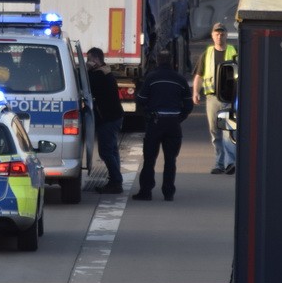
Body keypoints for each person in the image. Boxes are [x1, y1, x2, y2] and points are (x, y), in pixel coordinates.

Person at [132, 49, 193, 201]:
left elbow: (140, 99)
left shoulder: (151, 78)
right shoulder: (180, 79)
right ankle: (168, 192)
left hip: (155, 122)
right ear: (171, 60)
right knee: (170, 160)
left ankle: (145, 192)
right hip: (173, 124)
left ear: (158, 61)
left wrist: (147, 112)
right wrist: (179, 118)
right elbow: (188, 104)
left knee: (149, 159)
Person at [193, 22, 238, 175]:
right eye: (217, 34)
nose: (220, 36)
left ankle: (230, 163)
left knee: (228, 130)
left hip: (229, 98)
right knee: (215, 132)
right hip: (212, 98)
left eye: (222, 33)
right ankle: (219, 163)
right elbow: (199, 75)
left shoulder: (233, 51)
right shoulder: (208, 53)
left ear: (226, 35)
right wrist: (195, 92)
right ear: (212, 36)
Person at [85, 47, 124, 194]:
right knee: (112, 150)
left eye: (89, 60)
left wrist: (87, 70)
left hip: (108, 118)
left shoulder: (99, 75)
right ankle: (115, 180)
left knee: (106, 152)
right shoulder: (105, 72)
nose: (87, 62)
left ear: (95, 60)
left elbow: (87, 85)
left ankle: (116, 181)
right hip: (114, 116)